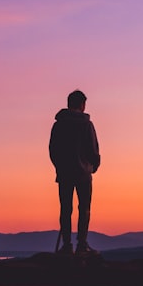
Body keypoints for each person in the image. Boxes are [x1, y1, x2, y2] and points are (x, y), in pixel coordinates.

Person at [49, 89, 101, 256]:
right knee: (84, 208)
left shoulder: (59, 125)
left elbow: (53, 150)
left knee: (65, 209)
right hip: (83, 173)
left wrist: (59, 166)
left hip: (64, 173)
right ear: (82, 105)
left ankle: (66, 244)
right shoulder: (86, 125)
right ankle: (81, 243)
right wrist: (94, 165)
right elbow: (93, 149)